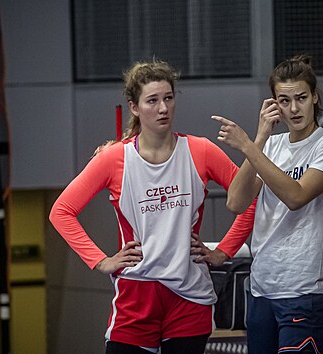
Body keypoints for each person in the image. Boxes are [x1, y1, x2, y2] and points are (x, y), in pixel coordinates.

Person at [48, 59, 254, 354]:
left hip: (189, 297)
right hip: (136, 296)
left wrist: (224, 251)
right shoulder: (113, 158)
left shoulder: (201, 151)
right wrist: (100, 260)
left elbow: (250, 198)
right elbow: (61, 211)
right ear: (134, 107)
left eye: (168, 98)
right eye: (153, 100)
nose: (163, 108)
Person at [193, 55, 323, 354]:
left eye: (301, 98)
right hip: (262, 286)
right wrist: (260, 137)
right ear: (274, 105)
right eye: (284, 100)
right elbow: (236, 202)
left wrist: (246, 146)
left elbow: (295, 196)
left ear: (315, 96)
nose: (293, 108)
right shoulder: (271, 145)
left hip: (305, 287)